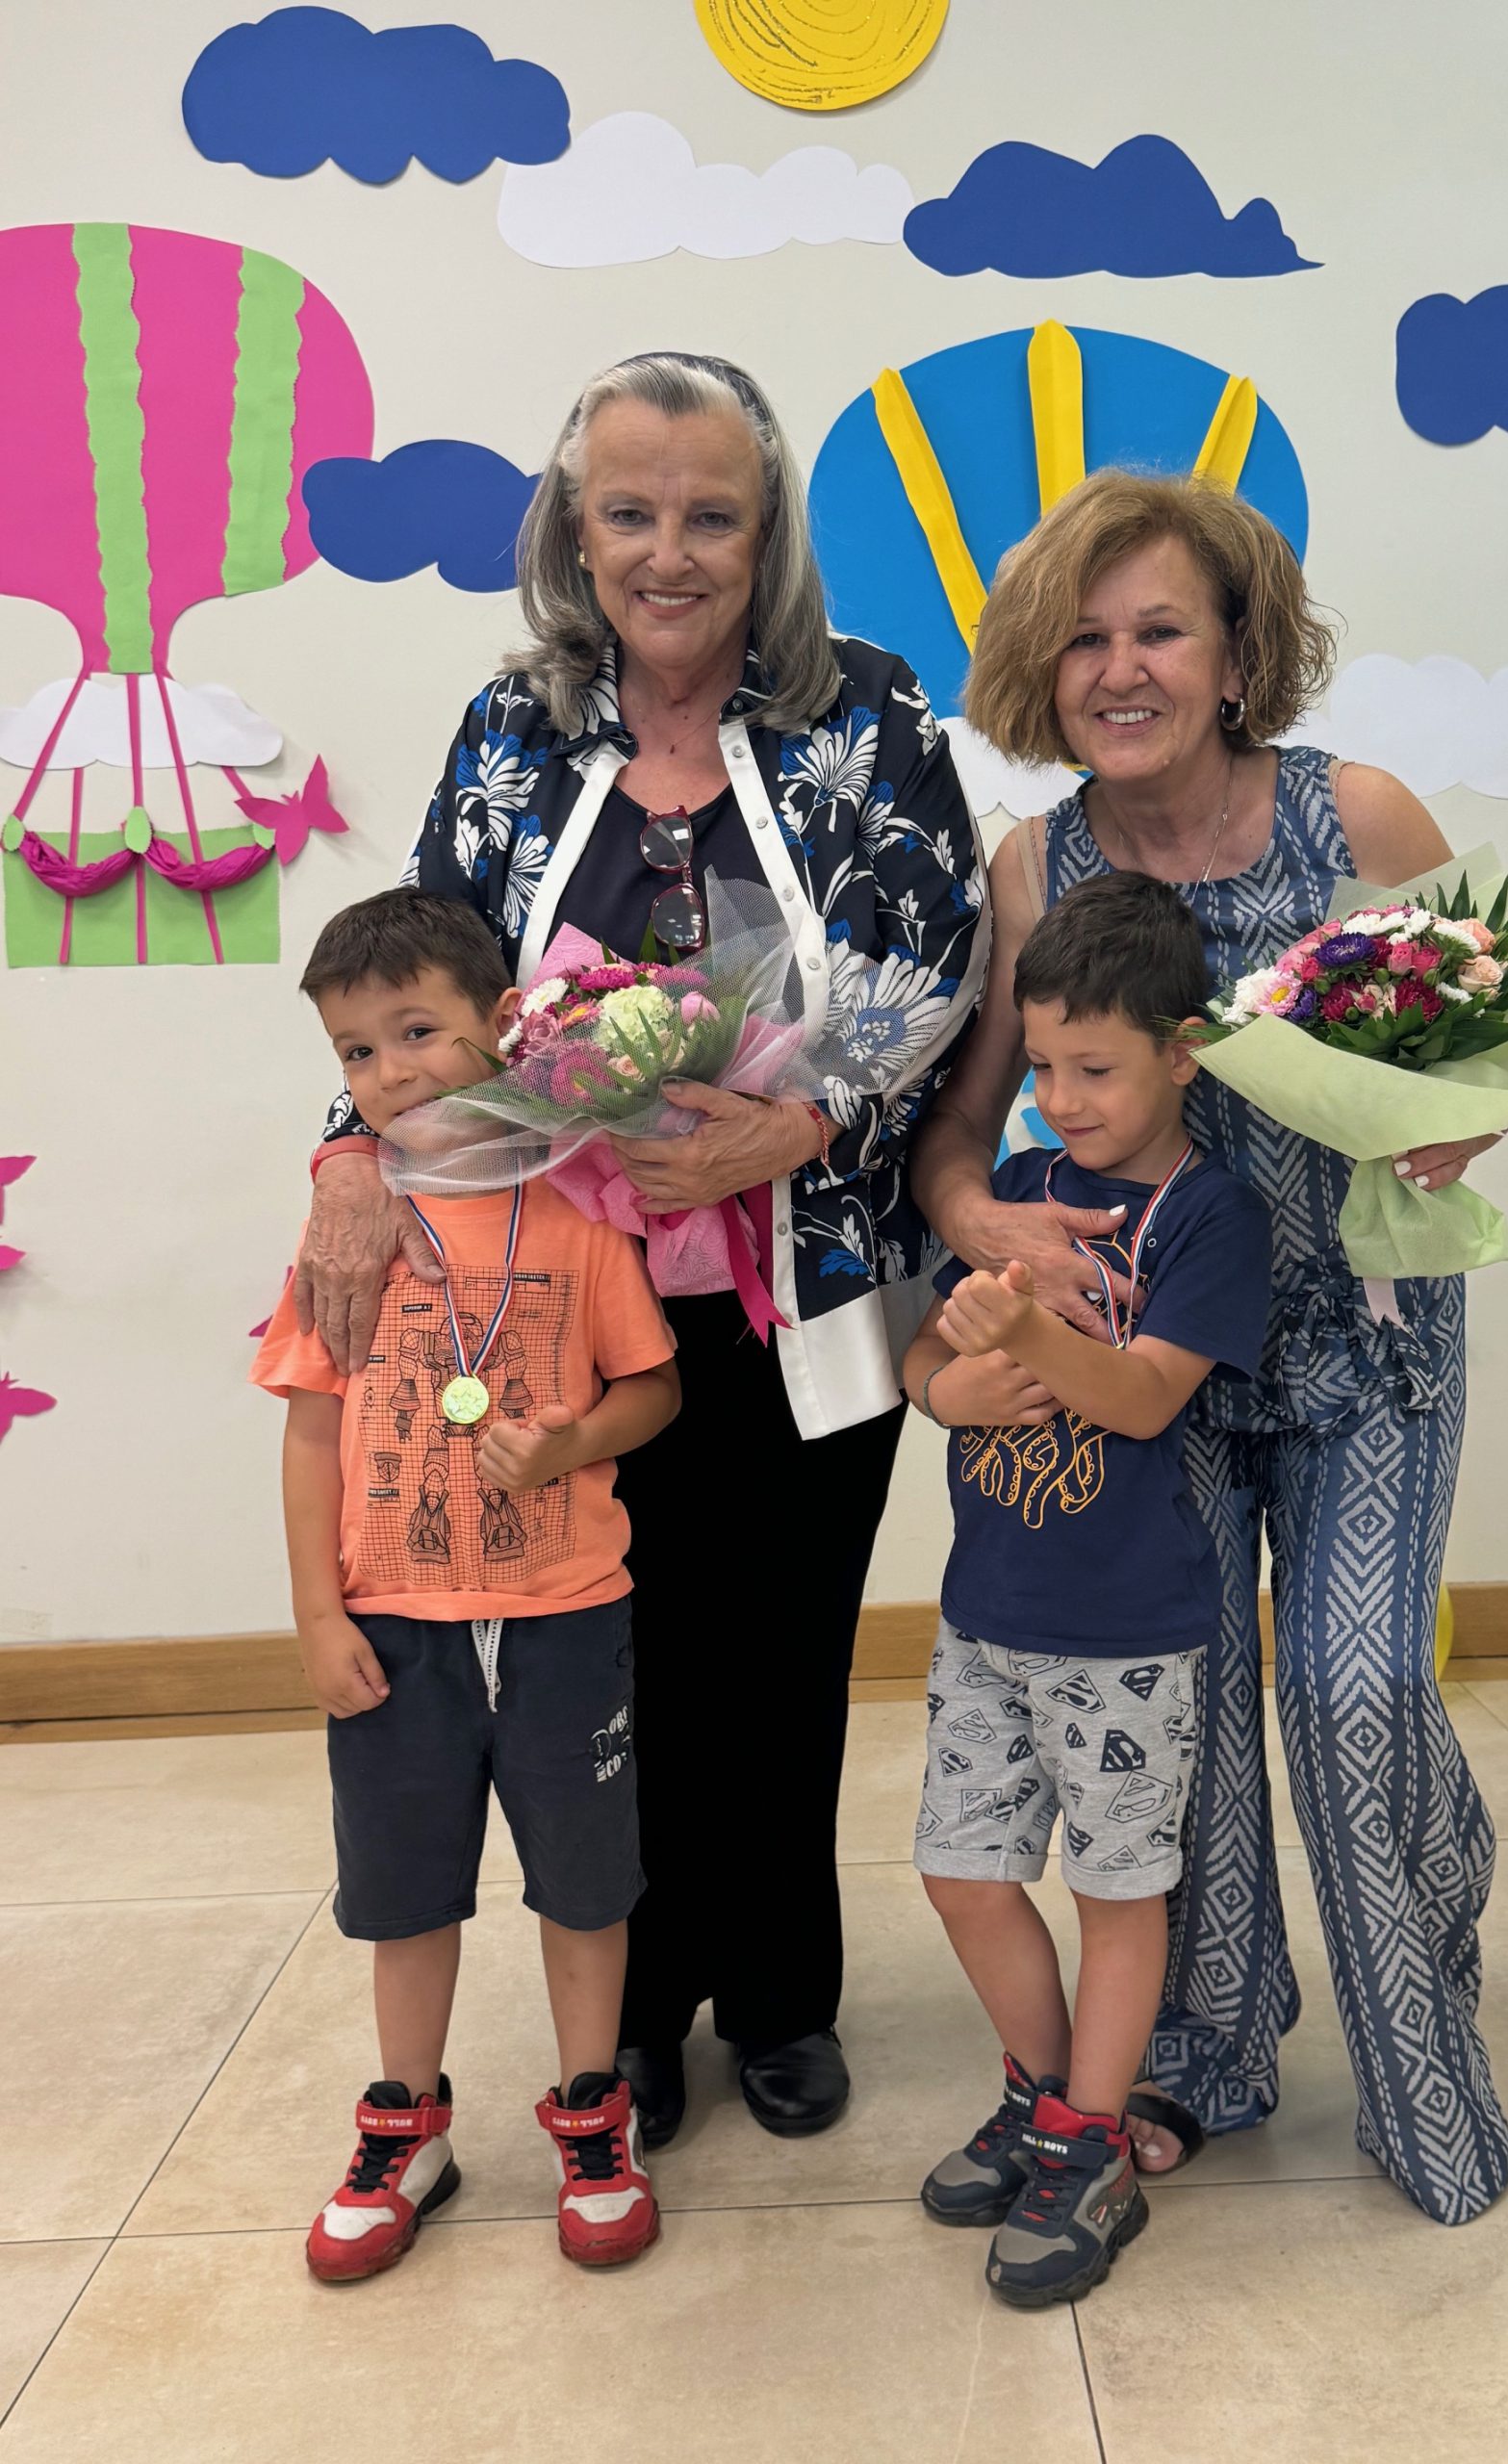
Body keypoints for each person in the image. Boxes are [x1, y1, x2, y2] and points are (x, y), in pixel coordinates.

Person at [290, 352, 986, 2147]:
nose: (670, 552)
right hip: (560, 1302)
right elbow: (416, 979)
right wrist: (346, 1155)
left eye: (712, 516)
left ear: (769, 538)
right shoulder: (510, 728)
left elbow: (937, 951)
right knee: (608, 1658)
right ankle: (643, 2012)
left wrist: (801, 1122)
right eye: (631, 513)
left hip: (811, 1284)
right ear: (575, 532)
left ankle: (782, 1995)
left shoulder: (871, 711)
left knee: (783, 1651)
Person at [911, 468, 1508, 2226]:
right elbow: (958, 1141)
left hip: (1368, 1349)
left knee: (1351, 1694)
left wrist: (1467, 1120)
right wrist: (987, 1231)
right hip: (1148, 1373)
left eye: (1162, 630)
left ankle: (1425, 2072)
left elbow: (1491, 1051)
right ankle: (1209, 2053)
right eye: (1086, 638)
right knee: (1207, 1739)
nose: (1123, 669)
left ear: (1238, 655)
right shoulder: (1038, 865)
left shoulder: (1364, 817)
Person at [252, 888, 682, 2281]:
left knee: (586, 1887)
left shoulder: (578, 1209)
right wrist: (318, 1613)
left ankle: (593, 2112)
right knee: (403, 1891)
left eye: (417, 1031)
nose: (389, 1072)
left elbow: (655, 1389)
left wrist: (569, 1442)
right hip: (393, 1628)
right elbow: (310, 1431)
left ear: (502, 1023)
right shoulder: (346, 1231)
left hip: (567, 1613)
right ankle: (406, 2122)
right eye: (356, 1052)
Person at [904, 873, 1270, 2306]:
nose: (1060, 1100)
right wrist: (955, 1387)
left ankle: (1088, 2147)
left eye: (1095, 1070)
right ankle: (1050, 2099)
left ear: (1184, 1054)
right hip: (984, 1613)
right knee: (961, 1871)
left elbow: (1140, 1397)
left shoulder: (1209, 1216)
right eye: (1043, 1067)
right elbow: (924, 1362)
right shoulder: (1018, 1199)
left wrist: (1024, 1338)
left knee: (1118, 1893)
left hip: (1124, 1635)